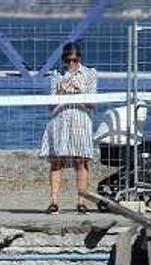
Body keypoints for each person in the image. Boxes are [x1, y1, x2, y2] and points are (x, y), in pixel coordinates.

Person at [40, 42, 97, 215]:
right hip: (60, 120)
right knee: (56, 162)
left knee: (81, 160)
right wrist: (60, 91)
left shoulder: (90, 74)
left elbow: (93, 103)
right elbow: (50, 106)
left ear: (79, 58)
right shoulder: (56, 75)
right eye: (67, 60)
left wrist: (80, 91)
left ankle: (81, 201)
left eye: (74, 60)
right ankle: (54, 201)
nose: (70, 64)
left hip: (80, 119)